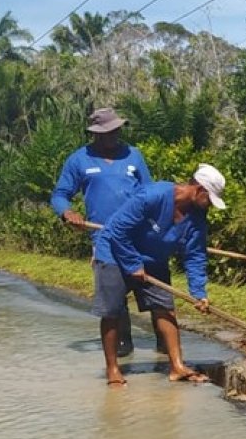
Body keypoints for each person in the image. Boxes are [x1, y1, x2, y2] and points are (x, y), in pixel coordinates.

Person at [93, 164, 227, 387]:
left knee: (165, 308)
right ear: (199, 189)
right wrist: (133, 264)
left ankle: (177, 366)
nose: (210, 206)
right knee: (112, 311)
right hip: (115, 252)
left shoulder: (197, 219)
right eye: (210, 199)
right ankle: (113, 369)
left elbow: (195, 256)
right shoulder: (153, 195)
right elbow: (117, 230)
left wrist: (199, 292)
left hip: (154, 259)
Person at [52, 107, 156, 357]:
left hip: (139, 235)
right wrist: (68, 213)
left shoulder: (134, 156)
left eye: (117, 130)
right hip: (105, 236)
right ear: (96, 134)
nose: (114, 135)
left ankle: (165, 346)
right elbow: (60, 195)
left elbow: (150, 192)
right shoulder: (79, 160)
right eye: (109, 132)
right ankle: (123, 342)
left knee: (154, 292)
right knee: (114, 296)